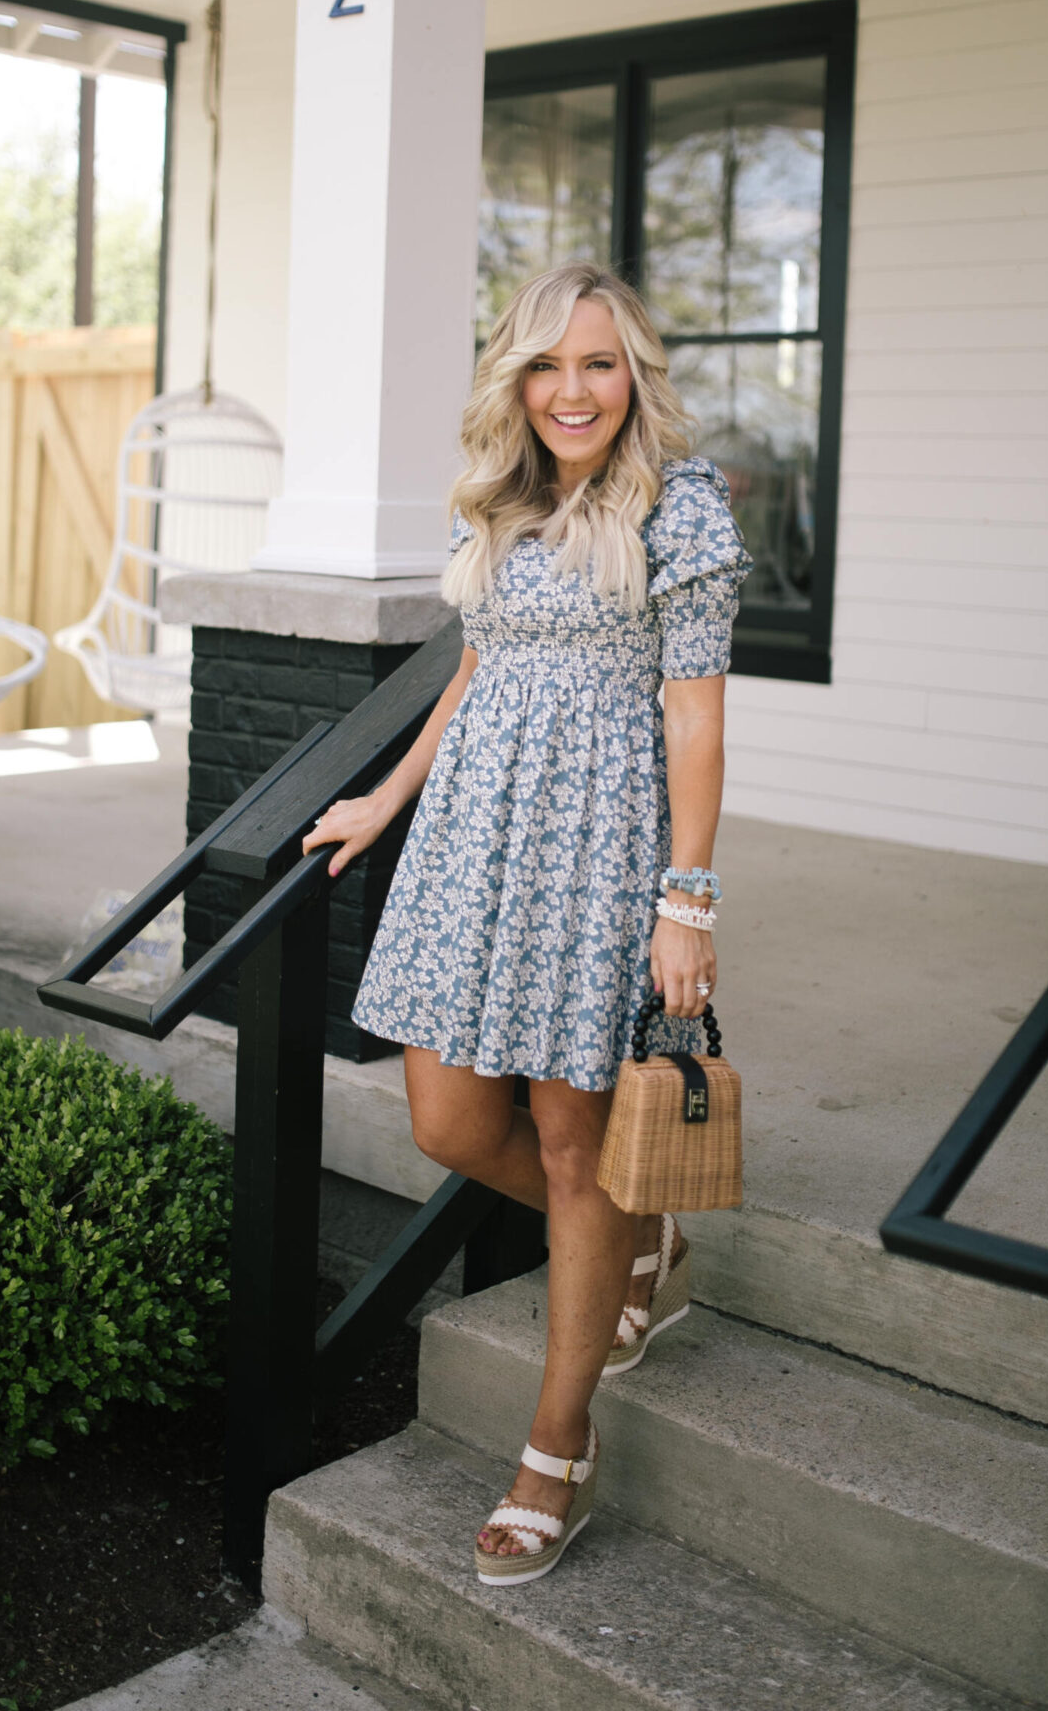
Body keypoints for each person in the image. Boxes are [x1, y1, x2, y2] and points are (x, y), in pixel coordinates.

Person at [303, 261, 751, 1586]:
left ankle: (557, 1447)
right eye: (550, 366)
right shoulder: (507, 498)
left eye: (600, 364)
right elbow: (479, 663)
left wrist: (689, 900)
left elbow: (698, 714)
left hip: (598, 850)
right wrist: (385, 799)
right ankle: (637, 1239)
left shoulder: (683, 505)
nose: (574, 391)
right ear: (519, 378)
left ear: (634, 376)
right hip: (468, 846)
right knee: (445, 1119)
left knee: (571, 1143)